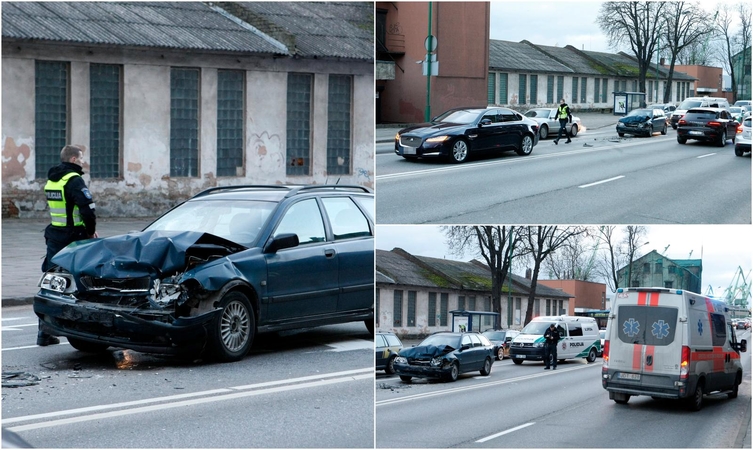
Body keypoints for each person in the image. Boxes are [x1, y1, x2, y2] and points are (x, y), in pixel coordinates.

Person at [37, 145, 98, 346]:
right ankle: (87, 330)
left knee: (51, 280)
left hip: (55, 235)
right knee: (84, 280)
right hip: (75, 238)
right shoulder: (73, 180)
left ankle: (44, 333)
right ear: (73, 159)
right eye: (81, 158)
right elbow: (87, 210)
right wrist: (90, 231)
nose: (83, 162)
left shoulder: (53, 179)